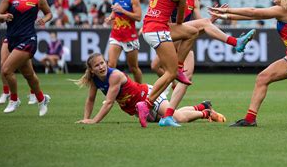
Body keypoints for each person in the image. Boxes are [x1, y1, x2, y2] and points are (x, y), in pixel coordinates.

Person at [151, 0, 255, 116]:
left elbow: (199, 22)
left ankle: (168, 114)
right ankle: (171, 81)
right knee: (155, 66)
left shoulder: (194, 0)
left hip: (185, 39)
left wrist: (212, 19)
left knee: (188, 77)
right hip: (170, 37)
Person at [135, 0, 198, 128]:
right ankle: (146, 104)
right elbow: (179, 21)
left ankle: (177, 68)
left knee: (192, 32)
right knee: (169, 73)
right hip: (157, 29)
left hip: (150, 27)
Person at [74, 53, 226, 125]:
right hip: (139, 109)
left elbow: (108, 103)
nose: (101, 67)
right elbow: (91, 100)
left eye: (102, 63)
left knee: (176, 118)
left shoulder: (114, 76)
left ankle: (206, 113)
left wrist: (93, 121)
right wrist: (86, 117)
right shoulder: (94, 79)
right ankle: (202, 106)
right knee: (173, 115)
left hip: (149, 96)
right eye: (97, 65)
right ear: (92, 70)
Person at [0, 0, 52, 116]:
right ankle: (42, 99)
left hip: (28, 40)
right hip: (13, 40)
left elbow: (49, 13)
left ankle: (14, 99)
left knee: (6, 70)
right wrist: (3, 16)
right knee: (29, 75)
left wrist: (44, 20)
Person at [0, 0, 37, 105]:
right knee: (4, 64)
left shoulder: (22, 0)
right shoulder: (7, 1)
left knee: (28, 71)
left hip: (24, 38)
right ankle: (6, 92)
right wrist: (2, 18)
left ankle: (33, 93)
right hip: (11, 37)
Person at [104, 0, 143, 83]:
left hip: (130, 37)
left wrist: (123, 10)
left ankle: (140, 90)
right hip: (116, 35)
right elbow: (115, 11)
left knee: (133, 68)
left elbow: (139, 17)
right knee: (111, 65)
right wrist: (110, 17)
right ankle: (111, 90)